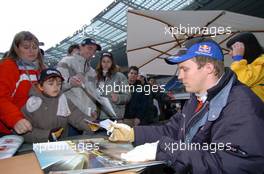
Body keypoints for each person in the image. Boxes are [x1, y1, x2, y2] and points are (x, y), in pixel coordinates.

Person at [109, 37, 264, 173]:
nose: (179, 76)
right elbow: (172, 130)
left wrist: (165, 149)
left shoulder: (241, 104)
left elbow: (229, 165)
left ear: (208, 68)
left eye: (184, 69)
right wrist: (133, 133)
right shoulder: (196, 99)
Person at [21, 68, 96, 143]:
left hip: (61, 145)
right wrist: (47, 135)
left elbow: (78, 118)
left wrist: (94, 124)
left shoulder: (63, 100)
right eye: (51, 84)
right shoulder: (31, 105)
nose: (56, 87)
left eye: (59, 83)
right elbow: (25, 132)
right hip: (37, 147)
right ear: (40, 86)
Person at [0, 31, 45, 136]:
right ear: (16, 48)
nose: (31, 51)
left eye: (34, 47)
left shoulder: (41, 69)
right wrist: (15, 119)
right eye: (26, 47)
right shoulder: (8, 67)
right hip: (9, 130)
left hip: (35, 126)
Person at [57, 38, 101, 118]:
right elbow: (56, 87)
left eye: (94, 51)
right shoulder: (66, 62)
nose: (92, 53)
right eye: (89, 48)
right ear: (81, 47)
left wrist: (94, 110)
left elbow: (92, 93)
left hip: (87, 116)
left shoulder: (92, 72)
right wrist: (70, 82)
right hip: (70, 116)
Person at [226, 32, 264, 101]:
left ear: (245, 48)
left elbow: (242, 82)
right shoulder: (245, 65)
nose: (230, 53)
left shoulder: (262, 62)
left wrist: (238, 59)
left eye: (232, 49)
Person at [95, 52, 130, 120]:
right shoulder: (97, 78)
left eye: (108, 61)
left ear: (112, 63)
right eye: (103, 61)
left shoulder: (120, 76)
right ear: (100, 63)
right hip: (101, 117)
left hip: (115, 116)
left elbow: (127, 96)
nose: (106, 64)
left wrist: (118, 98)